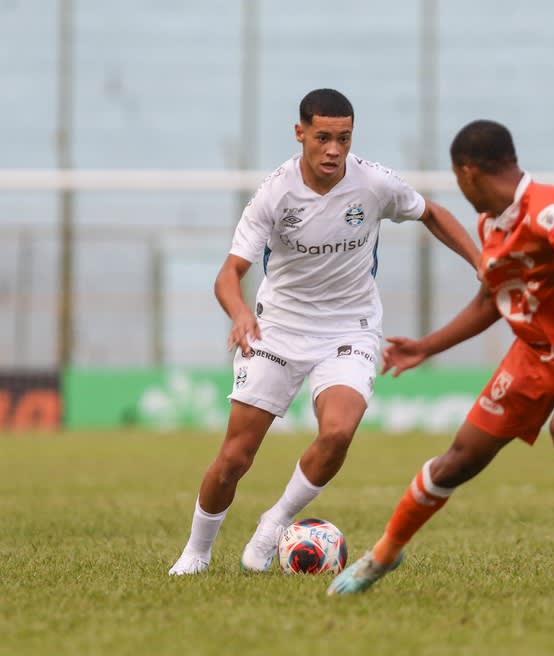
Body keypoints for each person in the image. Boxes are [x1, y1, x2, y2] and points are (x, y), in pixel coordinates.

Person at [328, 119, 554, 601]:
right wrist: (426, 346)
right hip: (533, 356)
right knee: (457, 461)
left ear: (468, 171)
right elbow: (490, 302)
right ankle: (384, 553)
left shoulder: (548, 209)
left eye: (457, 179)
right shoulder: (490, 224)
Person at [168, 89, 480, 575]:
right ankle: (196, 552)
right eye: (323, 138)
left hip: (349, 328)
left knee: (337, 432)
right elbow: (228, 274)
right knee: (235, 457)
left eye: (344, 138)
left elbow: (432, 213)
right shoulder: (275, 193)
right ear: (301, 134)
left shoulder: (374, 183)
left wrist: (482, 262)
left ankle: (275, 523)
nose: (334, 149)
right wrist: (239, 313)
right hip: (277, 330)